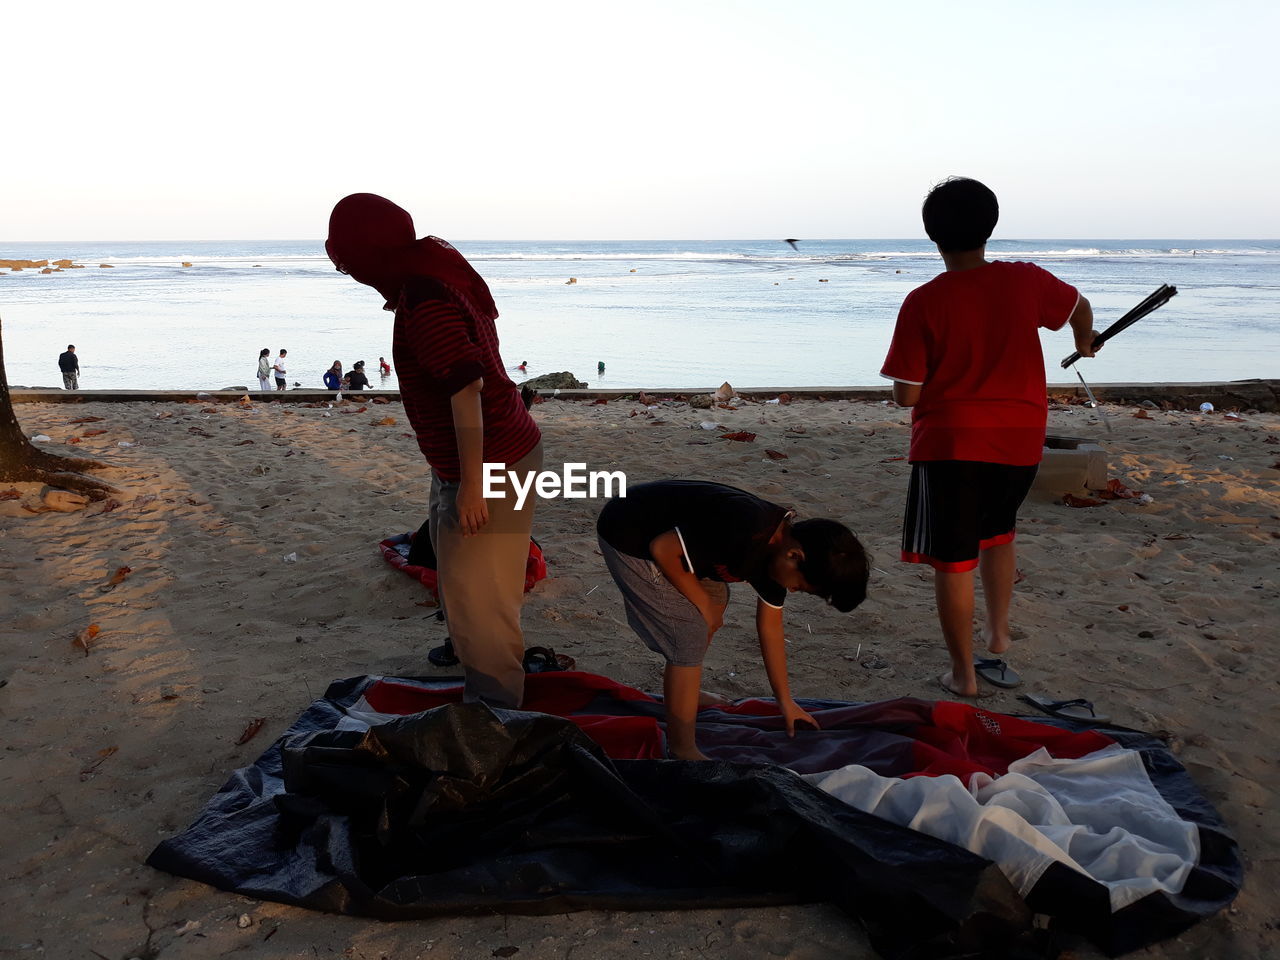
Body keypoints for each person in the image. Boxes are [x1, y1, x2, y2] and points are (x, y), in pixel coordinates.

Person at [879, 177, 1099, 698]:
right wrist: (1083, 341)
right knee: (999, 533)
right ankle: (998, 638)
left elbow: (907, 397)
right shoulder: (1026, 281)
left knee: (954, 559)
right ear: (990, 228)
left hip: (952, 445)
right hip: (1021, 438)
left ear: (932, 235)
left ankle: (964, 674)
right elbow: (1078, 307)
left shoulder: (923, 301)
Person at [327, 193, 543, 708]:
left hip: (491, 464)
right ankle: (484, 678)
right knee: (475, 588)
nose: (345, 268)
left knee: (479, 603)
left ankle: (494, 722)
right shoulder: (430, 275)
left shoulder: (425, 299)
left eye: (347, 255)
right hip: (504, 450)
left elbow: (465, 387)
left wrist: (472, 484)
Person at [596, 480, 869, 760]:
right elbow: (663, 548)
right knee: (689, 631)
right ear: (794, 556)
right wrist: (702, 605)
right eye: (799, 586)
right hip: (628, 532)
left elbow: (770, 629)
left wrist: (785, 702)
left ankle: (684, 691)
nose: (792, 590)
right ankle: (681, 748)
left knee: (715, 600)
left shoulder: (778, 554)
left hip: (680, 547)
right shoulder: (745, 526)